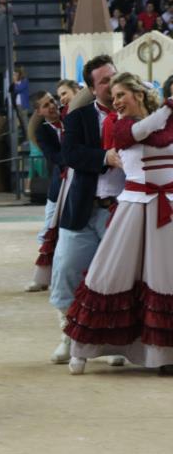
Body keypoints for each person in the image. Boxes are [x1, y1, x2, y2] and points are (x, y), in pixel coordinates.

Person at [65, 75, 173, 374]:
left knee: (165, 278)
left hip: (167, 212)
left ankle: (162, 354)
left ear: (138, 93)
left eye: (122, 94)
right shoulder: (120, 125)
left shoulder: (164, 123)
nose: (117, 101)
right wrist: (169, 106)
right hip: (133, 210)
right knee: (109, 275)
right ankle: (82, 350)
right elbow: (141, 131)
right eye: (114, 96)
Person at [50, 55, 125, 366]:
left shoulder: (136, 115)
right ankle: (69, 335)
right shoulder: (78, 118)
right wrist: (104, 158)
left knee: (117, 280)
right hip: (83, 207)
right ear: (92, 88)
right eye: (104, 80)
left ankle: (110, 341)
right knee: (66, 272)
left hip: (121, 213)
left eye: (114, 77)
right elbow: (70, 155)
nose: (111, 84)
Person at [25, 92, 69, 293]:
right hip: (59, 186)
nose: (51, 106)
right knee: (48, 231)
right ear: (39, 111)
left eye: (52, 101)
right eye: (45, 105)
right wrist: (77, 156)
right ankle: (42, 277)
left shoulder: (71, 118)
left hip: (80, 183)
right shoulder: (43, 132)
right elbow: (55, 157)